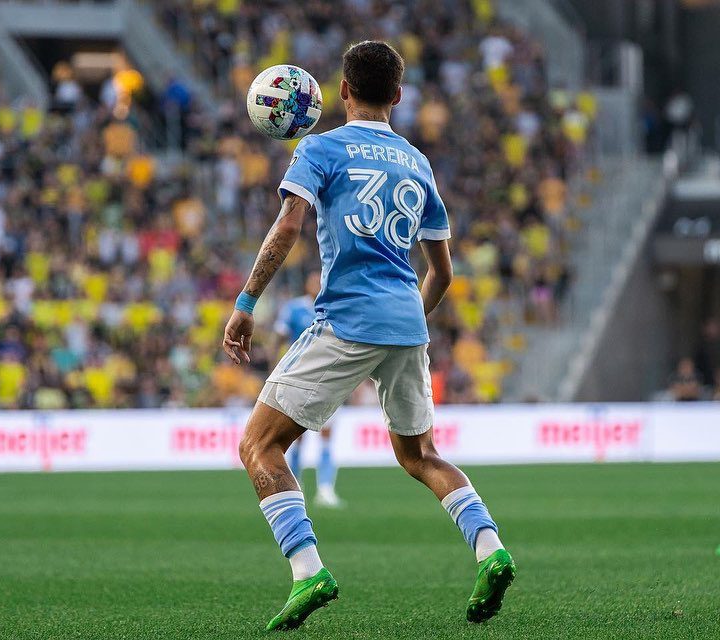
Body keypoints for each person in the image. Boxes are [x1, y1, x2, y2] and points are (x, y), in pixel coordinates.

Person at [222, 41, 515, 631]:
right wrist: (407, 322)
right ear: (399, 97)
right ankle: (491, 549)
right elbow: (444, 272)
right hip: (406, 321)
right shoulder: (416, 162)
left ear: (343, 92)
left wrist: (246, 302)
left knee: (259, 445)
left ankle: (309, 571)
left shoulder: (319, 148)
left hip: (347, 319)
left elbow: (288, 225)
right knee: (421, 454)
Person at [272, 270, 341, 507]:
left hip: (330, 380)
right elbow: (279, 339)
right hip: (299, 379)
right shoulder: (294, 309)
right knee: (296, 437)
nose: (318, 284)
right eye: (314, 280)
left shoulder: (335, 306)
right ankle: (295, 486)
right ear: (306, 284)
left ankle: (325, 489)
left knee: (326, 436)